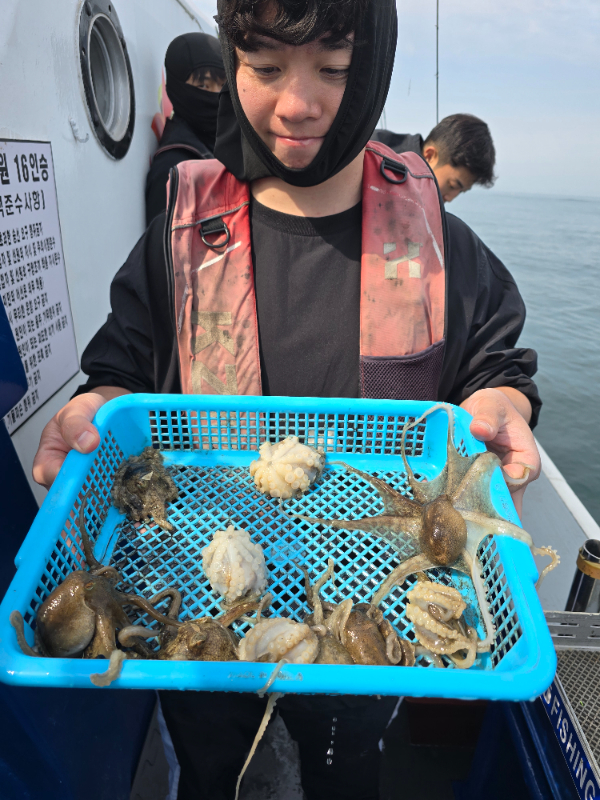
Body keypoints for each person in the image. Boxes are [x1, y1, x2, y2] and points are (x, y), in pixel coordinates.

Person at [33, 1, 541, 798]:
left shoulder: (441, 242)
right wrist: (95, 403)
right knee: (212, 770)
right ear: (231, 63)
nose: (297, 103)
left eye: (333, 69)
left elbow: (495, 362)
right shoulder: (178, 232)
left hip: (371, 614)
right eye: (265, 67)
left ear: (372, 69)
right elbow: (122, 361)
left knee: (348, 771)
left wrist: (505, 401)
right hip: (199, 598)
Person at [145, 32, 226, 226]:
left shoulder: (227, 144)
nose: (216, 95)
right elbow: (166, 242)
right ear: (177, 88)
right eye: (203, 85)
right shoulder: (173, 169)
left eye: (222, 85)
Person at [372, 113, 496, 202]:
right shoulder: (370, 153)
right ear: (430, 155)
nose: (450, 198)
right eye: (452, 185)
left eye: (460, 191)